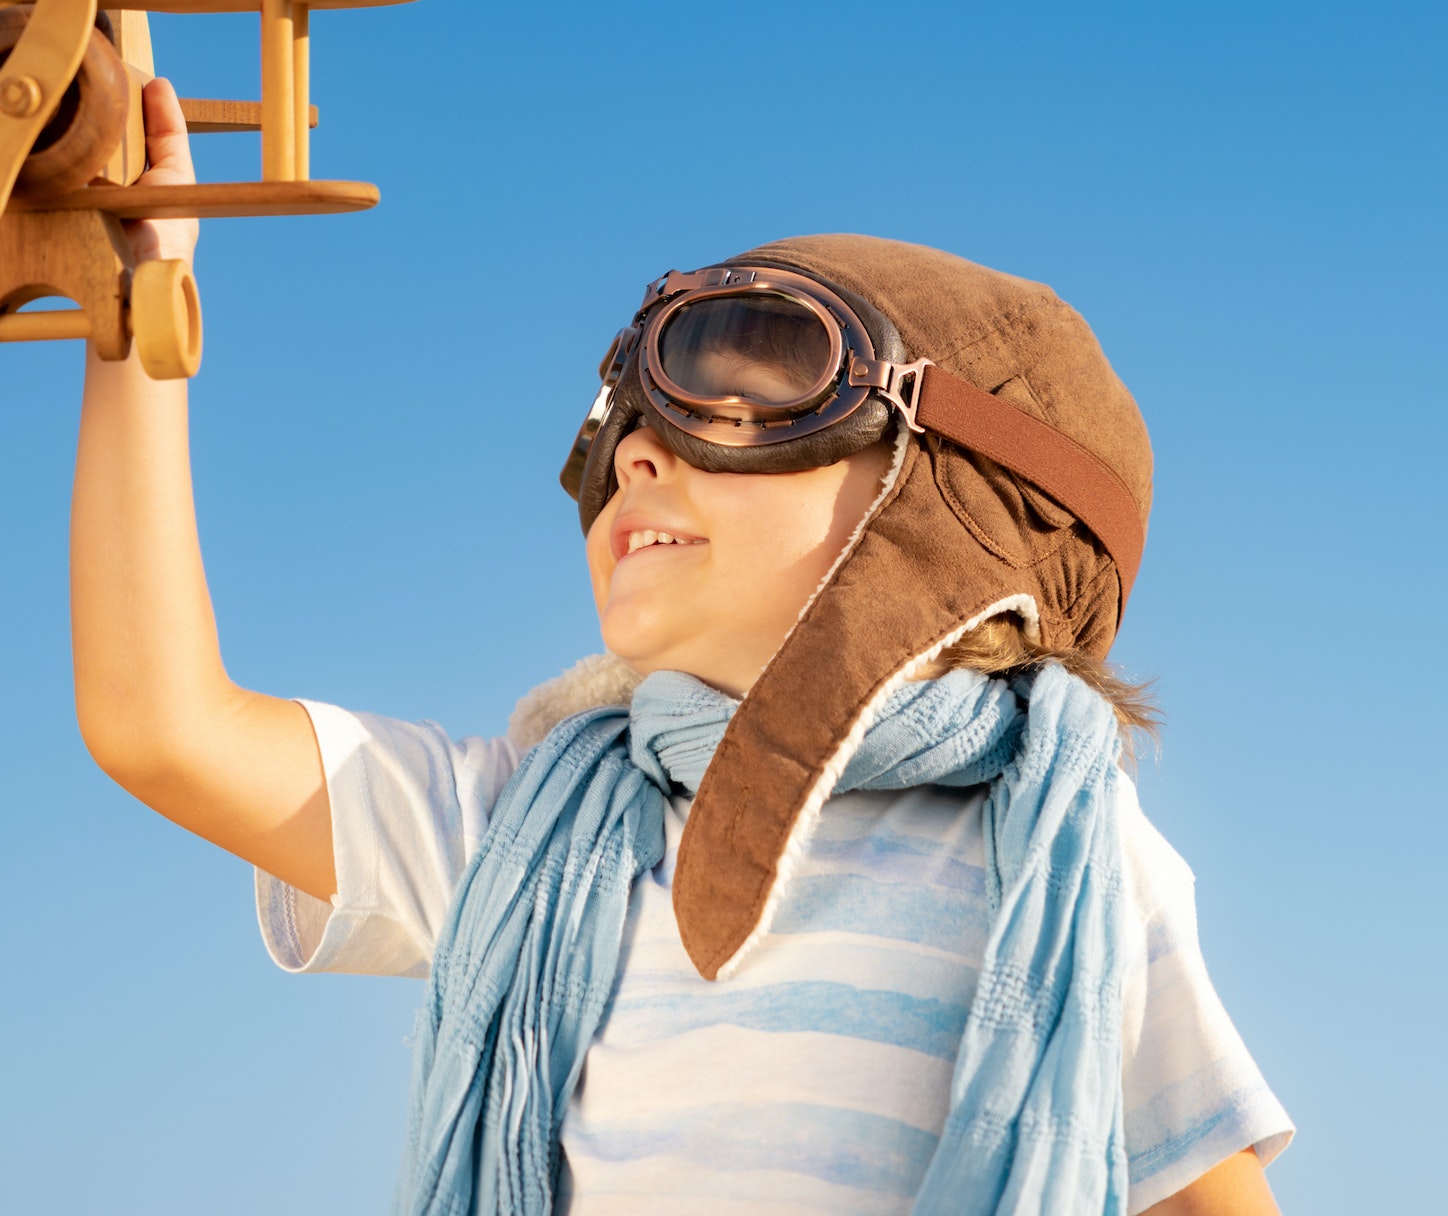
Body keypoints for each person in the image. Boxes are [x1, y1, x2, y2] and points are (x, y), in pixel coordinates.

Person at [70, 82, 1292, 1216]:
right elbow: (158, 720)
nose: (640, 455)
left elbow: (1204, 1193)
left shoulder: (1061, 851)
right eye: (627, 418)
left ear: (955, 497)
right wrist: (136, 319)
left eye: (739, 390)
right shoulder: (527, 831)